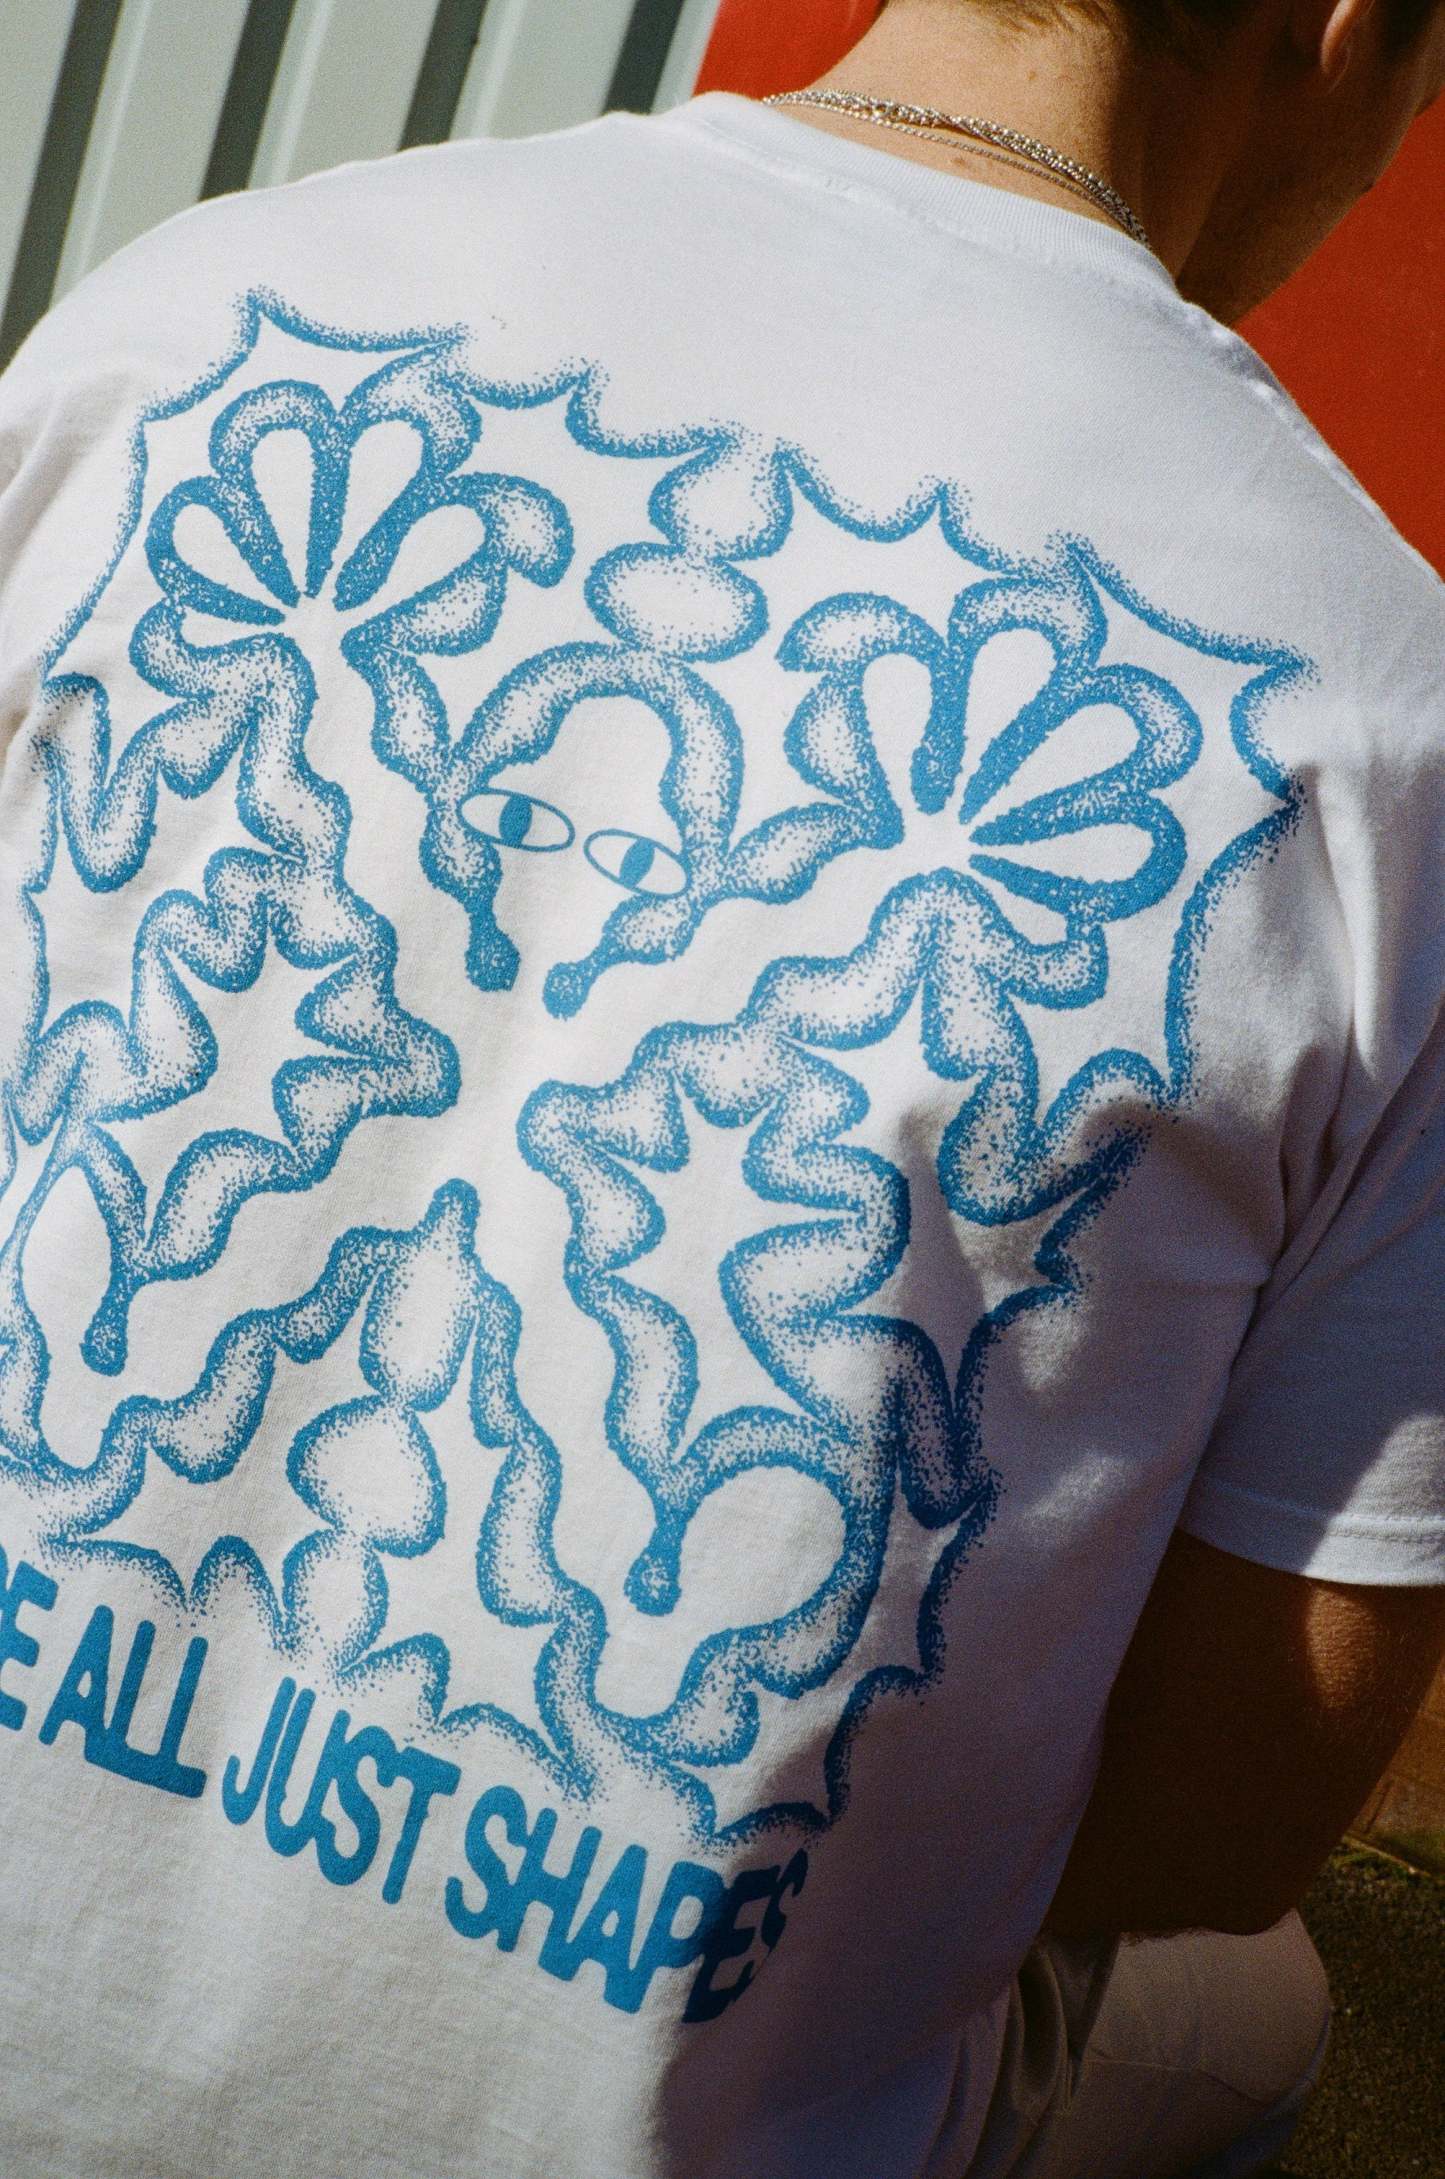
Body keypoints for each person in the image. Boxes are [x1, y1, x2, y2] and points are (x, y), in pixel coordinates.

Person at [0, 0, 1442, 2172]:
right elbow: (1216, 1818)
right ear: (1340, 29)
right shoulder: (1384, 716)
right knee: (1272, 2008)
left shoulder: (189, 309)